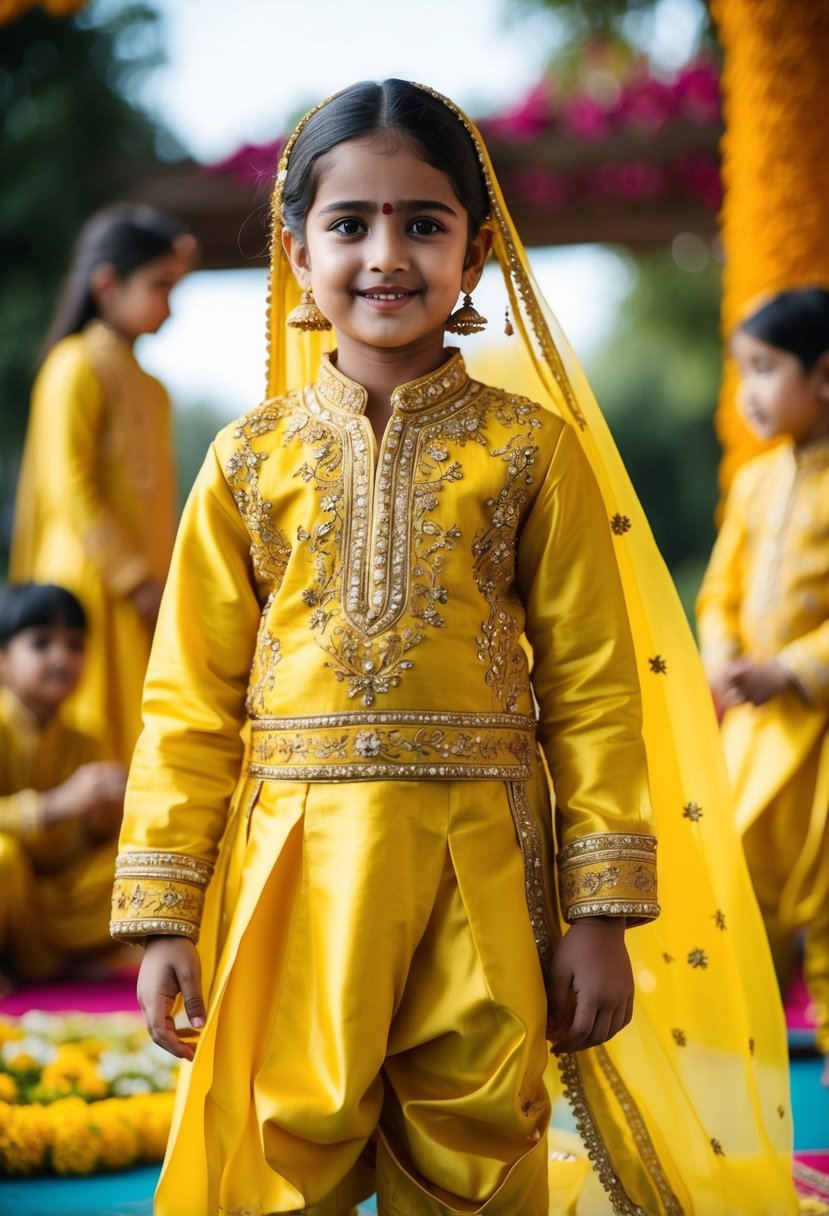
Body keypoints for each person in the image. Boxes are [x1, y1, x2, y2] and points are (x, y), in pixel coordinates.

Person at [111, 82, 798, 1215]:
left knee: (476, 1142)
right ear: (295, 248)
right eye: (349, 223)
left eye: (423, 223)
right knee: (288, 1142)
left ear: (476, 252)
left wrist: (600, 916)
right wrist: (165, 914)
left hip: (482, 860)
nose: (387, 254)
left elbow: (592, 690)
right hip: (296, 871)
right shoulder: (244, 462)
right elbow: (188, 700)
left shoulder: (531, 453)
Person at [697, 287, 829, 1087]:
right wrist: (722, 654)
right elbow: (720, 591)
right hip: (753, 743)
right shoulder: (753, 483)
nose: (745, 391)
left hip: (818, 743)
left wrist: (790, 670)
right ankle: (740, 1107)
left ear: (823, 377)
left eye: (762, 368)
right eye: (738, 370)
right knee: (740, 905)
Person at [10, 203, 197, 766]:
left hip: (142, 589)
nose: (169, 304)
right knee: (90, 728)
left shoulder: (152, 388)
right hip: (86, 588)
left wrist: (156, 583)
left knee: (140, 729)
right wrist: (128, 574)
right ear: (107, 285)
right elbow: (68, 484)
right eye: (160, 284)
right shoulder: (74, 365)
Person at [0, 582, 127, 988]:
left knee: (135, 862)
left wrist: (116, 803)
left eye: (75, 644)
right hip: (9, 884)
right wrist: (56, 805)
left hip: (56, 893)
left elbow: (97, 840)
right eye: (41, 643)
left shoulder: (89, 737)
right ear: (3, 661)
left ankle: (53, 959)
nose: (62, 658)